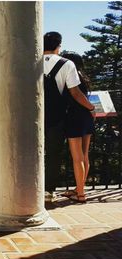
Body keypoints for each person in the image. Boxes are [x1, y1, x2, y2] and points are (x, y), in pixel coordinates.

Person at [43, 32, 95, 202]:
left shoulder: (30, 63)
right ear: (58, 45)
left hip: (32, 115)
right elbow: (75, 92)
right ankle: (48, 191)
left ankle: (26, 189)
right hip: (57, 117)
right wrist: (91, 107)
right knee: (53, 154)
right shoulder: (67, 64)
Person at [61, 52, 95, 203]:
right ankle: (79, 188)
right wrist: (91, 109)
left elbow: (75, 95)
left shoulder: (70, 76)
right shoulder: (84, 77)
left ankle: (80, 194)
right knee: (84, 155)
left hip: (74, 117)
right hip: (86, 117)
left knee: (77, 158)